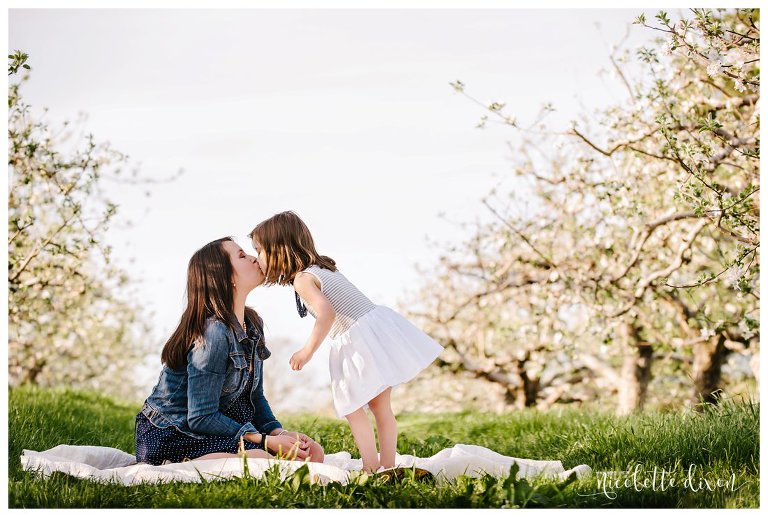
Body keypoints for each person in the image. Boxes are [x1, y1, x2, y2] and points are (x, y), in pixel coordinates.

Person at [248, 211, 443, 473]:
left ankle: (370, 467)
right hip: (375, 331)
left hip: (356, 339)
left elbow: (326, 312)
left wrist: (307, 350)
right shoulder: (322, 268)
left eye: (259, 250)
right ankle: (388, 466)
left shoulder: (303, 279)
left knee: (352, 407)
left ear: (278, 249)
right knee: (381, 407)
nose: (257, 257)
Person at [135, 237, 324, 466]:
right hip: (174, 433)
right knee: (261, 460)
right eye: (242, 256)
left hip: (222, 427)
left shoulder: (253, 324)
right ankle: (173, 462)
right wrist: (263, 441)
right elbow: (201, 417)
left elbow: (254, 397)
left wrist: (277, 434)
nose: (255, 258)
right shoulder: (213, 333)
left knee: (312, 452)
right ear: (226, 277)